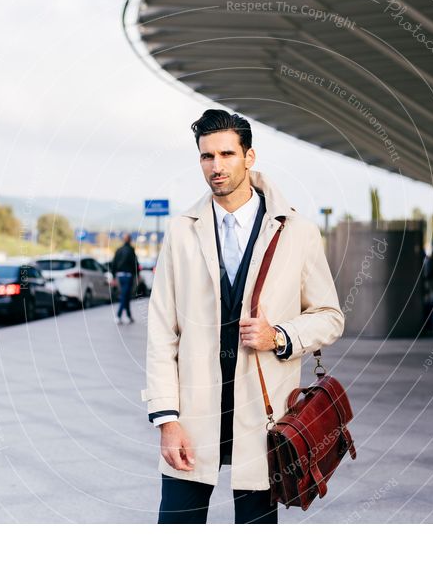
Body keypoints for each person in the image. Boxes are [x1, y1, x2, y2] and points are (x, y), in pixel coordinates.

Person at [142, 109, 344, 524]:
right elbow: (163, 330)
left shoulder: (297, 231)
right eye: (206, 157)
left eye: (226, 154)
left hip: (264, 417)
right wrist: (166, 419)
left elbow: (330, 316)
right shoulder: (181, 231)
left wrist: (280, 336)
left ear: (249, 157)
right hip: (195, 413)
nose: (216, 167)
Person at [112, 233, 139, 324]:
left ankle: (129, 316)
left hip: (120, 276)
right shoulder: (131, 250)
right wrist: (137, 274)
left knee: (126, 295)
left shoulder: (118, 250)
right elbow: (135, 263)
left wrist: (113, 276)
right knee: (125, 295)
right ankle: (118, 315)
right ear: (130, 240)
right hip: (128, 276)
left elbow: (114, 263)